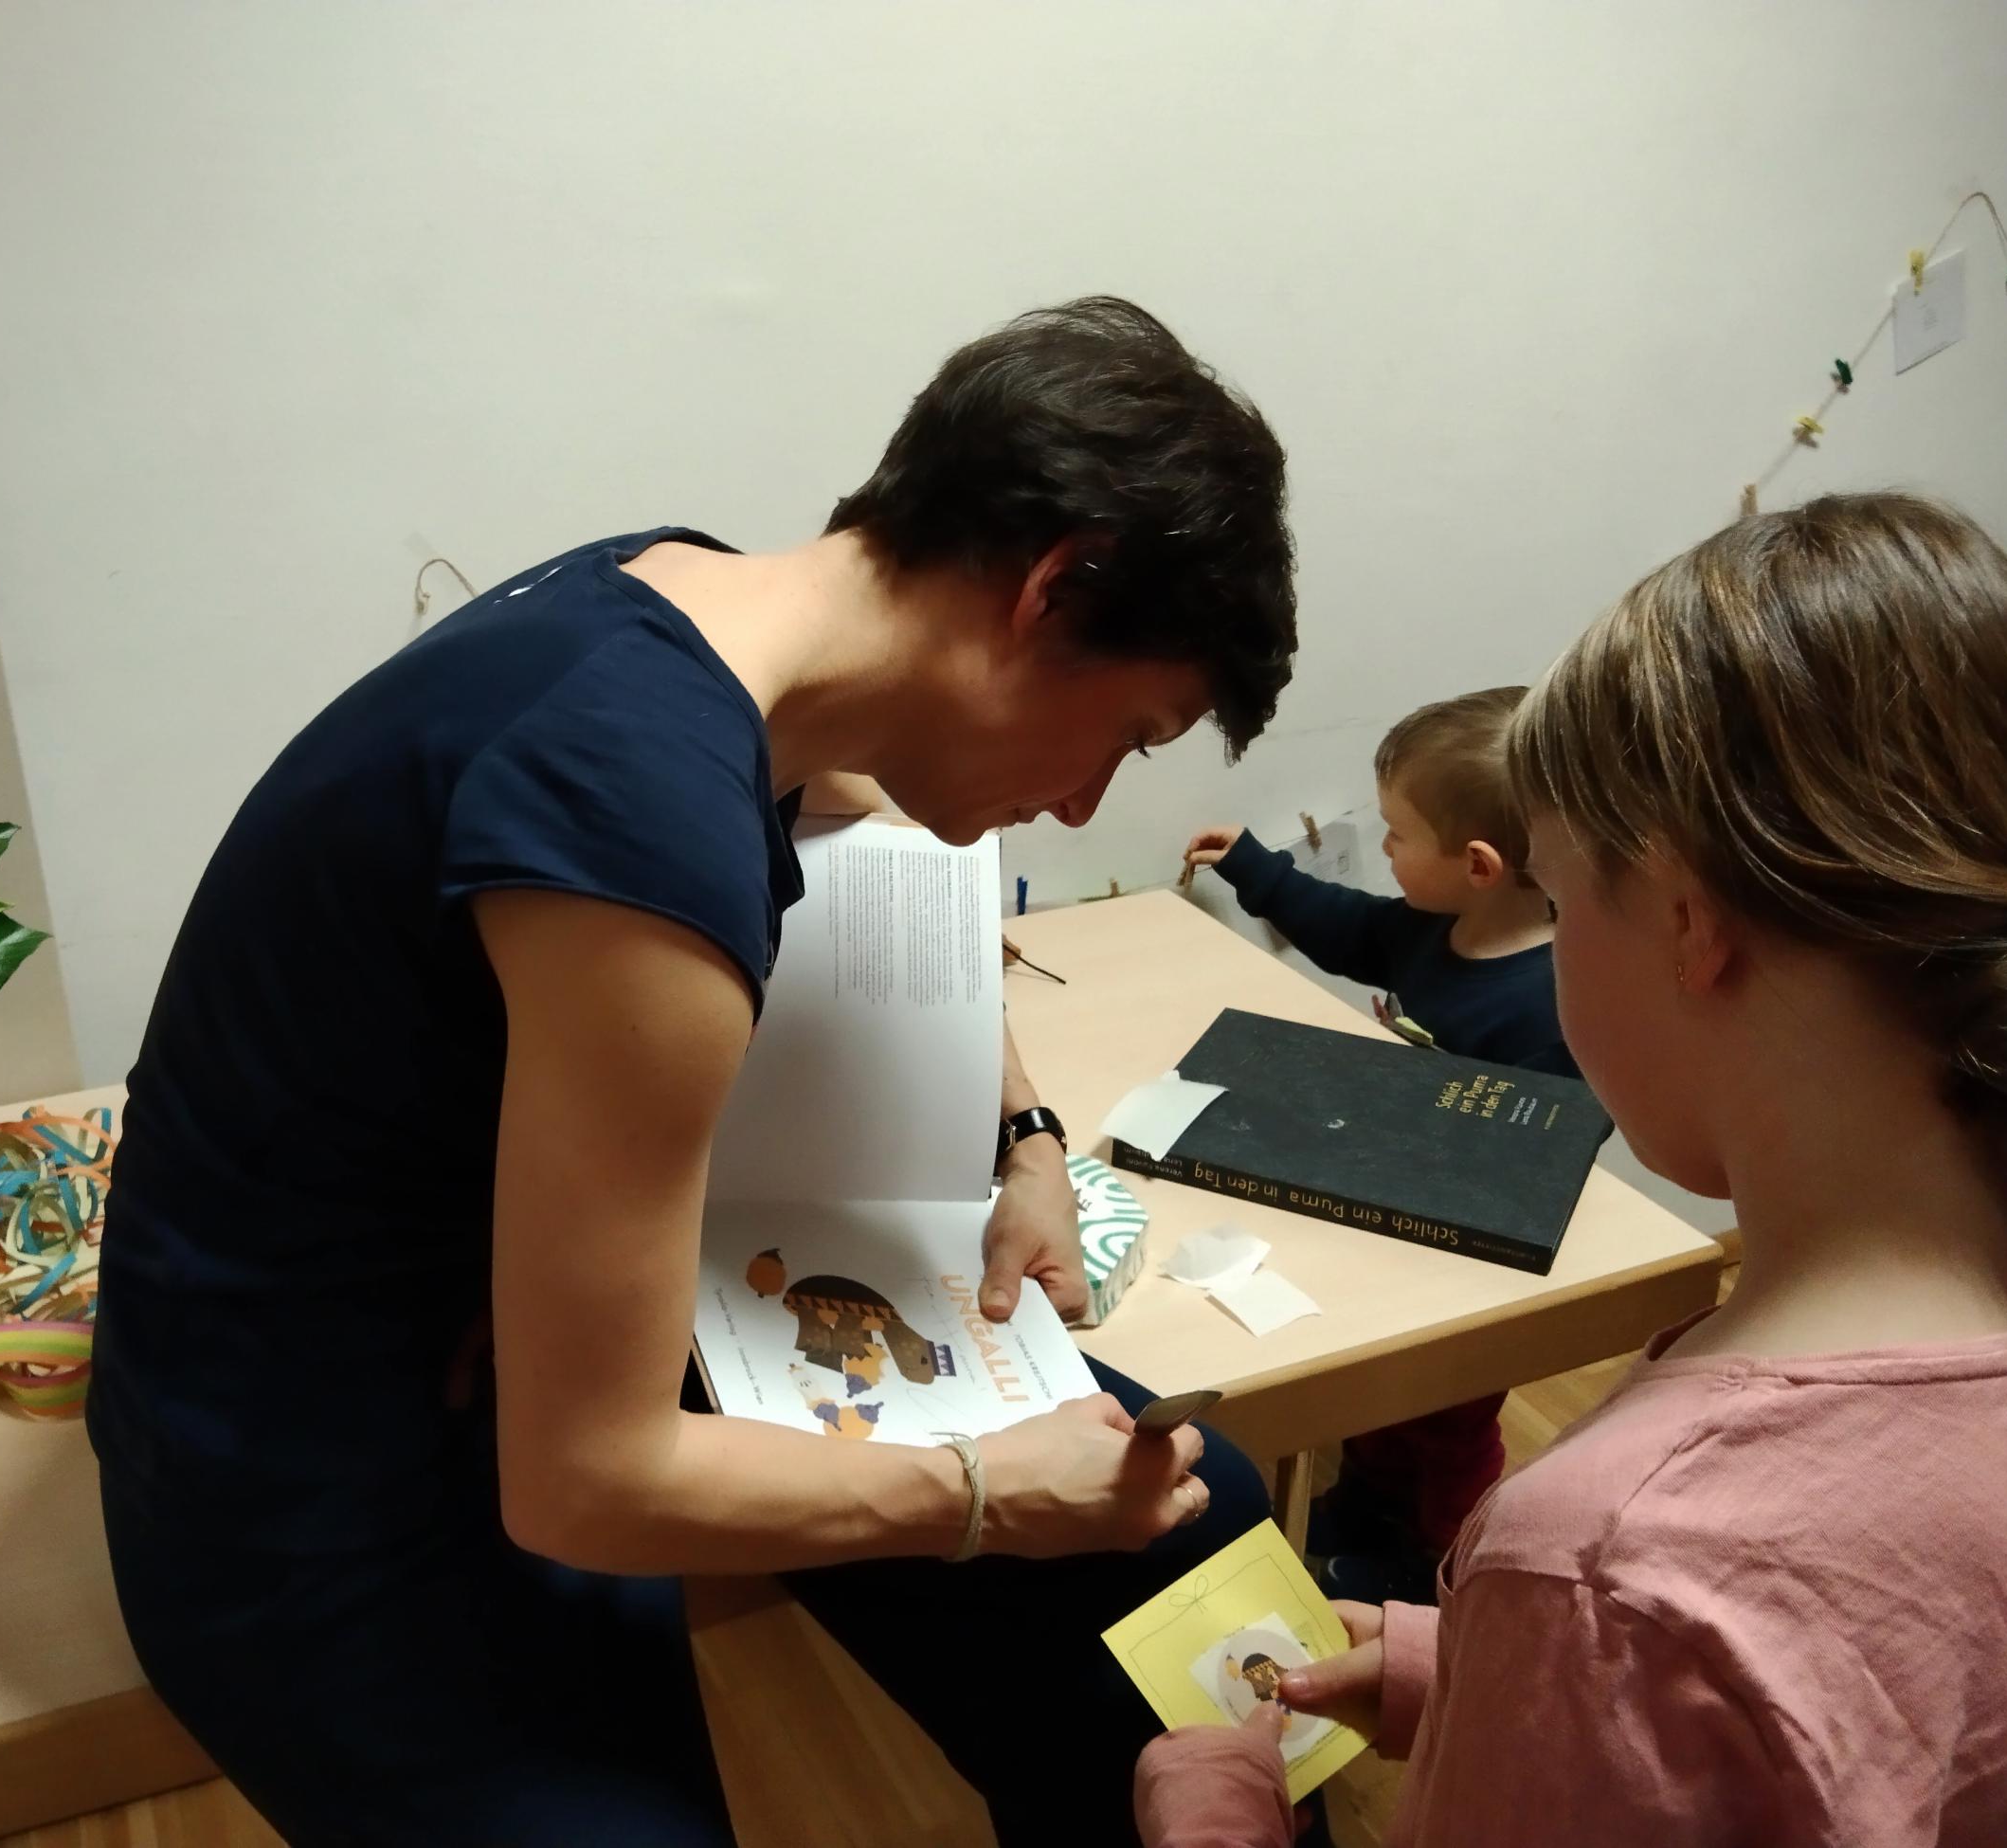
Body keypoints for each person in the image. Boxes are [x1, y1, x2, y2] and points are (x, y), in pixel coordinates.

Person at [87, 297, 1301, 1847]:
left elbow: (860, 804)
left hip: (519, 1326)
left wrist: (1028, 1136)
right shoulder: (635, 821)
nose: (1079, 807)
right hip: (306, 1464)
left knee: (1204, 1528)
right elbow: (584, 1481)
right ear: (1051, 587)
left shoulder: (698, 610)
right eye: (1128, 735)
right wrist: (988, 1492)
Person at [1136, 492, 2007, 1846]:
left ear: (1685, 920)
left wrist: (1223, 1814)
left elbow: (1692, 1659)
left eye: (1555, 897)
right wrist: (1497, 1677)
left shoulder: (1623, 1570)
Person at [1182, 687, 1569, 1603]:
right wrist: (1256, 868)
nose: (1383, 847)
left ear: (1477, 865)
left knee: (1442, 1428)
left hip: (1475, 1273)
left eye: (1396, 833)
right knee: (1377, 1410)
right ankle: (1366, 1513)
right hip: (1400, 1219)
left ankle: (1441, 1565)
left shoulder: (1548, 1004)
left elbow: (1541, 1164)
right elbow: (1345, 926)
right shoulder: (1433, 930)